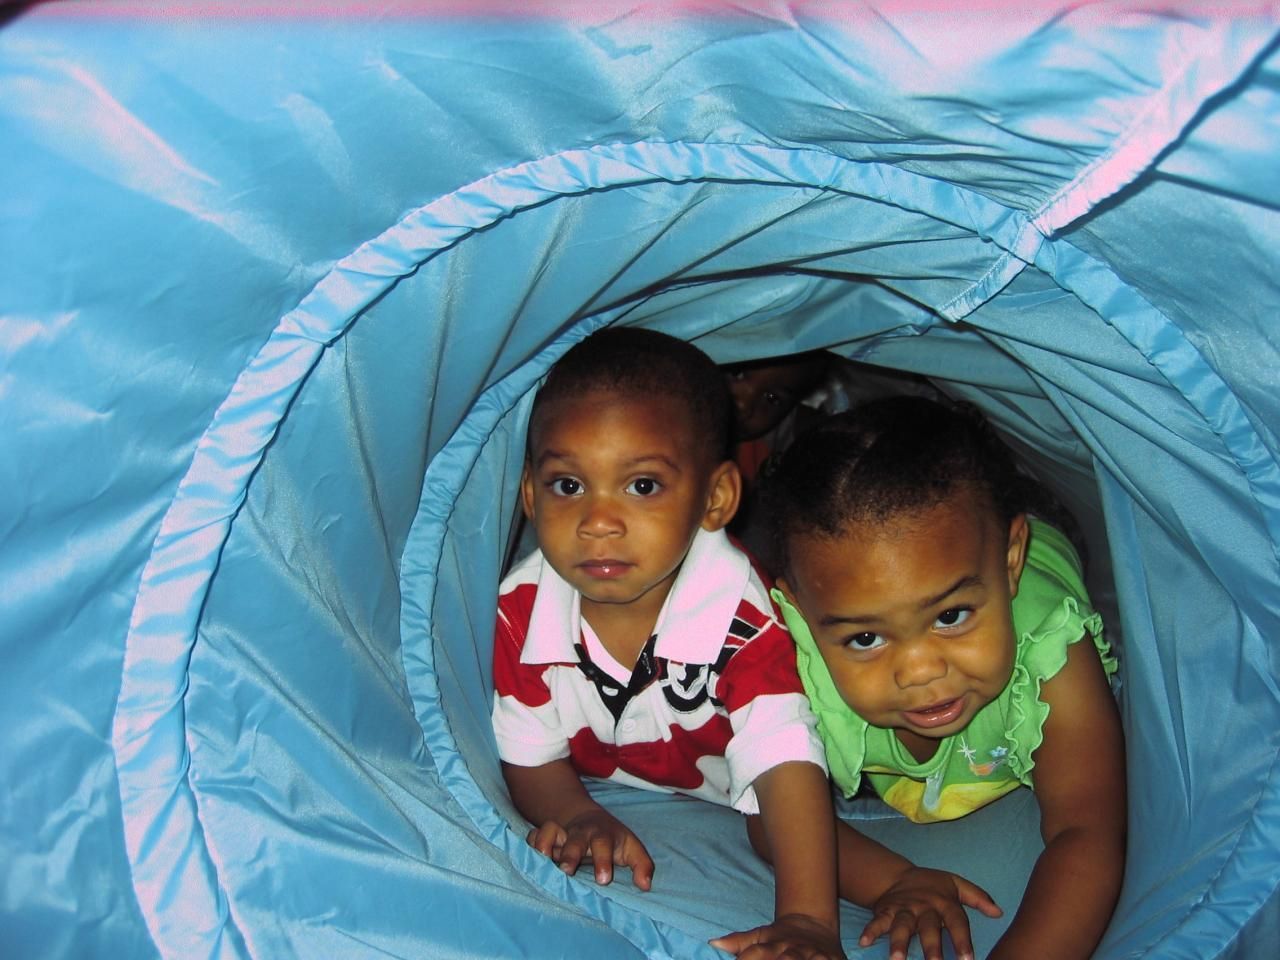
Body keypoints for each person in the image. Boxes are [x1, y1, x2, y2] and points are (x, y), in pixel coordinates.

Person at [491, 327, 844, 959]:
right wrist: (577, 813)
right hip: (621, 786)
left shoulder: (743, 619)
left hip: (743, 794)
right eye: (568, 485)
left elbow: (784, 761)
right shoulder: (520, 609)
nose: (599, 522)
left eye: (642, 485)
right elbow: (530, 753)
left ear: (715, 498)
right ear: (529, 496)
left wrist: (808, 920)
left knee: (787, 829)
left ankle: (904, 880)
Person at [761, 395, 1126, 960]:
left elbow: (1089, 828)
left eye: (951, 616)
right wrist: (892, 878)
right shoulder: (791, 661)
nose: (920, 671)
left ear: (1009, 563)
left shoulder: (1051, 649)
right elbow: (765, 816)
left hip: (1041, 526)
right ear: (802, 615)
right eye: (866, 638)